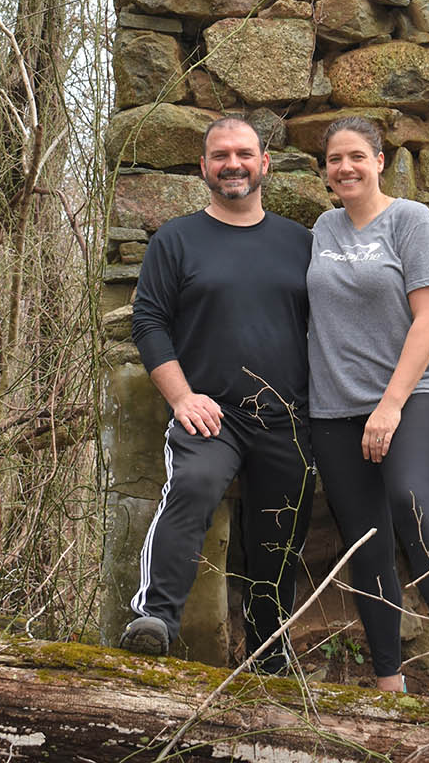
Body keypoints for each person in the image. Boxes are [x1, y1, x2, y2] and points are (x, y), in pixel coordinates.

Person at [121, 116, 314, 674]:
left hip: (288, 416)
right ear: (202, 167)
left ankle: (267, 649)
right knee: (194, 485)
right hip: (210, 412)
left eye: (244, 154)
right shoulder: (175, 239)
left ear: (264, 164)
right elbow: (149, 323)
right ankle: (155, 616)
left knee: (280, 528)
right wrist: (181, 397)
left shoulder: (299, 242)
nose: (233, 164)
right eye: (221, 155)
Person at [307, 115, 429, 707]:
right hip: (333, 408)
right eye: (334, 158)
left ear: (381, 161)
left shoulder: (411, 221)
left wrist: (388, 406)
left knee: (410, 497)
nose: (345, 168)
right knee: (365, 539)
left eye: (357, 155)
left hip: (409, 396)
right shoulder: (323, 229)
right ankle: (388, 683)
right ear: (325, 169)